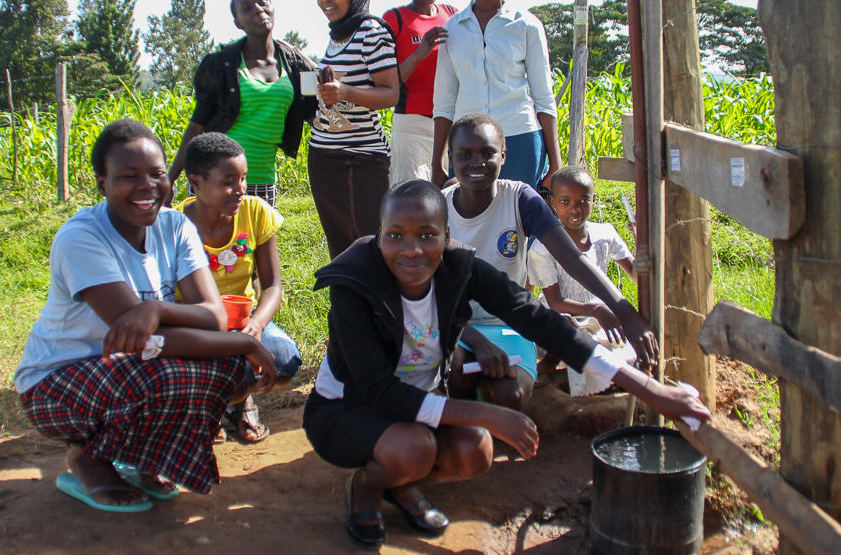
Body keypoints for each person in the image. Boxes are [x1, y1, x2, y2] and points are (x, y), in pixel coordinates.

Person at [302, 179, 710, 550]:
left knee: (475, 451)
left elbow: (541, 321)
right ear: (379, 239)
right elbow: (380, 392)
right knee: (415, 448)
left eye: (427, 235)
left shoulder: (459, 269)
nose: (412, 249)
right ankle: (369, 488)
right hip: (348, 410)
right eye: (396, 236)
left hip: (417, 405)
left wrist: (651, 390)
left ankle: (401, 484)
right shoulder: (355, 285)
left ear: (447, 237)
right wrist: (488, 413)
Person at [14, 119, 276, 513]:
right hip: (58, 382)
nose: (147, 186)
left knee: (230, 370)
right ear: (102, 184)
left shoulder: (175, 226)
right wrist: (242, 340)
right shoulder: (81, 238)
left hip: (131, 366)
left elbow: (212, 317)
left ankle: (146, 457)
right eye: (128, 176)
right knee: (170, 370)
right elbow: (143, 340)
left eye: (156, 174)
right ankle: (88, 458)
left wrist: (155, 309)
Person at [441, 114, 656, 414]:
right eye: (464, 155)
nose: (477, 163)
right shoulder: (438, 206)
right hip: (457, 326)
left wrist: (624, 312)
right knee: (456, 376)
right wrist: (472, 339)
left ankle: (487, 408)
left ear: (503, 154)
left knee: (510, 396)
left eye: (487, 153)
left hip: (510, 325)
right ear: (451, 158)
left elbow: (570, 256)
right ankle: (470, 426)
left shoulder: (519, 198)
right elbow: (429, 289)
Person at [174, 132, 302, 444]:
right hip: (195, 326)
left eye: (243, 178)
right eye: (228, 181)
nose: (240, 190)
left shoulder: (254, 211)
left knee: (285, 360)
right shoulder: (175, 225)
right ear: (196, 182)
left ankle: (241, 399)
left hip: (244, 322)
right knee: (235, 370)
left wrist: (257, 325)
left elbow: (272, 285)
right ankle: (210, 406)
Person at [432, 0, 562, 192]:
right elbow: (444, 103)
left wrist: (556, 164)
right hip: (467, 142)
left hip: (521, 138)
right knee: (469, 222)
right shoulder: (452, 29)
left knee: (518, 220)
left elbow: (544, 98)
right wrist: (437, 162)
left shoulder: (527, 26)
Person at [168, 0, 317, 208]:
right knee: (209, 243)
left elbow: (317, 118)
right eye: (247, 8)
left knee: (256, 243)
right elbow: (196, 127)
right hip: (216, 181)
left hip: (263, 181)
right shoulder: (220, 65)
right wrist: (168, 180)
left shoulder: (295, 65)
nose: (258, 9)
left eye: (262, 2)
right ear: (238, 22)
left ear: (273, 9)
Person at [310, 0, 400, 258]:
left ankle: (376, 306)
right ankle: (347, 305)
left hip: (360, 159)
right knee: (340, 248)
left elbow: (391, 93)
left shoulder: (371, 32)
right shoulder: (335, 37)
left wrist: (344, 91)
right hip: (324, 157)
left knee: (371, 245)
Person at [528, 166, 639, 394]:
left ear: (593, 200)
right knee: (562, 332)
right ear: (553, 204)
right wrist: (597, 309)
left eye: (583, 201)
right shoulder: (542, 248)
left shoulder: (604, 234)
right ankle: (552, 358)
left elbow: (637, 276)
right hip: (561, 315)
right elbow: (555, 300)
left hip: (599, 319)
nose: (575, 210)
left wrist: (640, 240)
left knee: (623, 354)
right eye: (566, 202)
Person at [382, 0, 458, 186]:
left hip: (451, 125)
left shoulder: (453, 15)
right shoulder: (394, 19)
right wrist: (419, 53)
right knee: (412, 199)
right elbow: (388, 82)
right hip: (412, 125)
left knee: (452, 199)